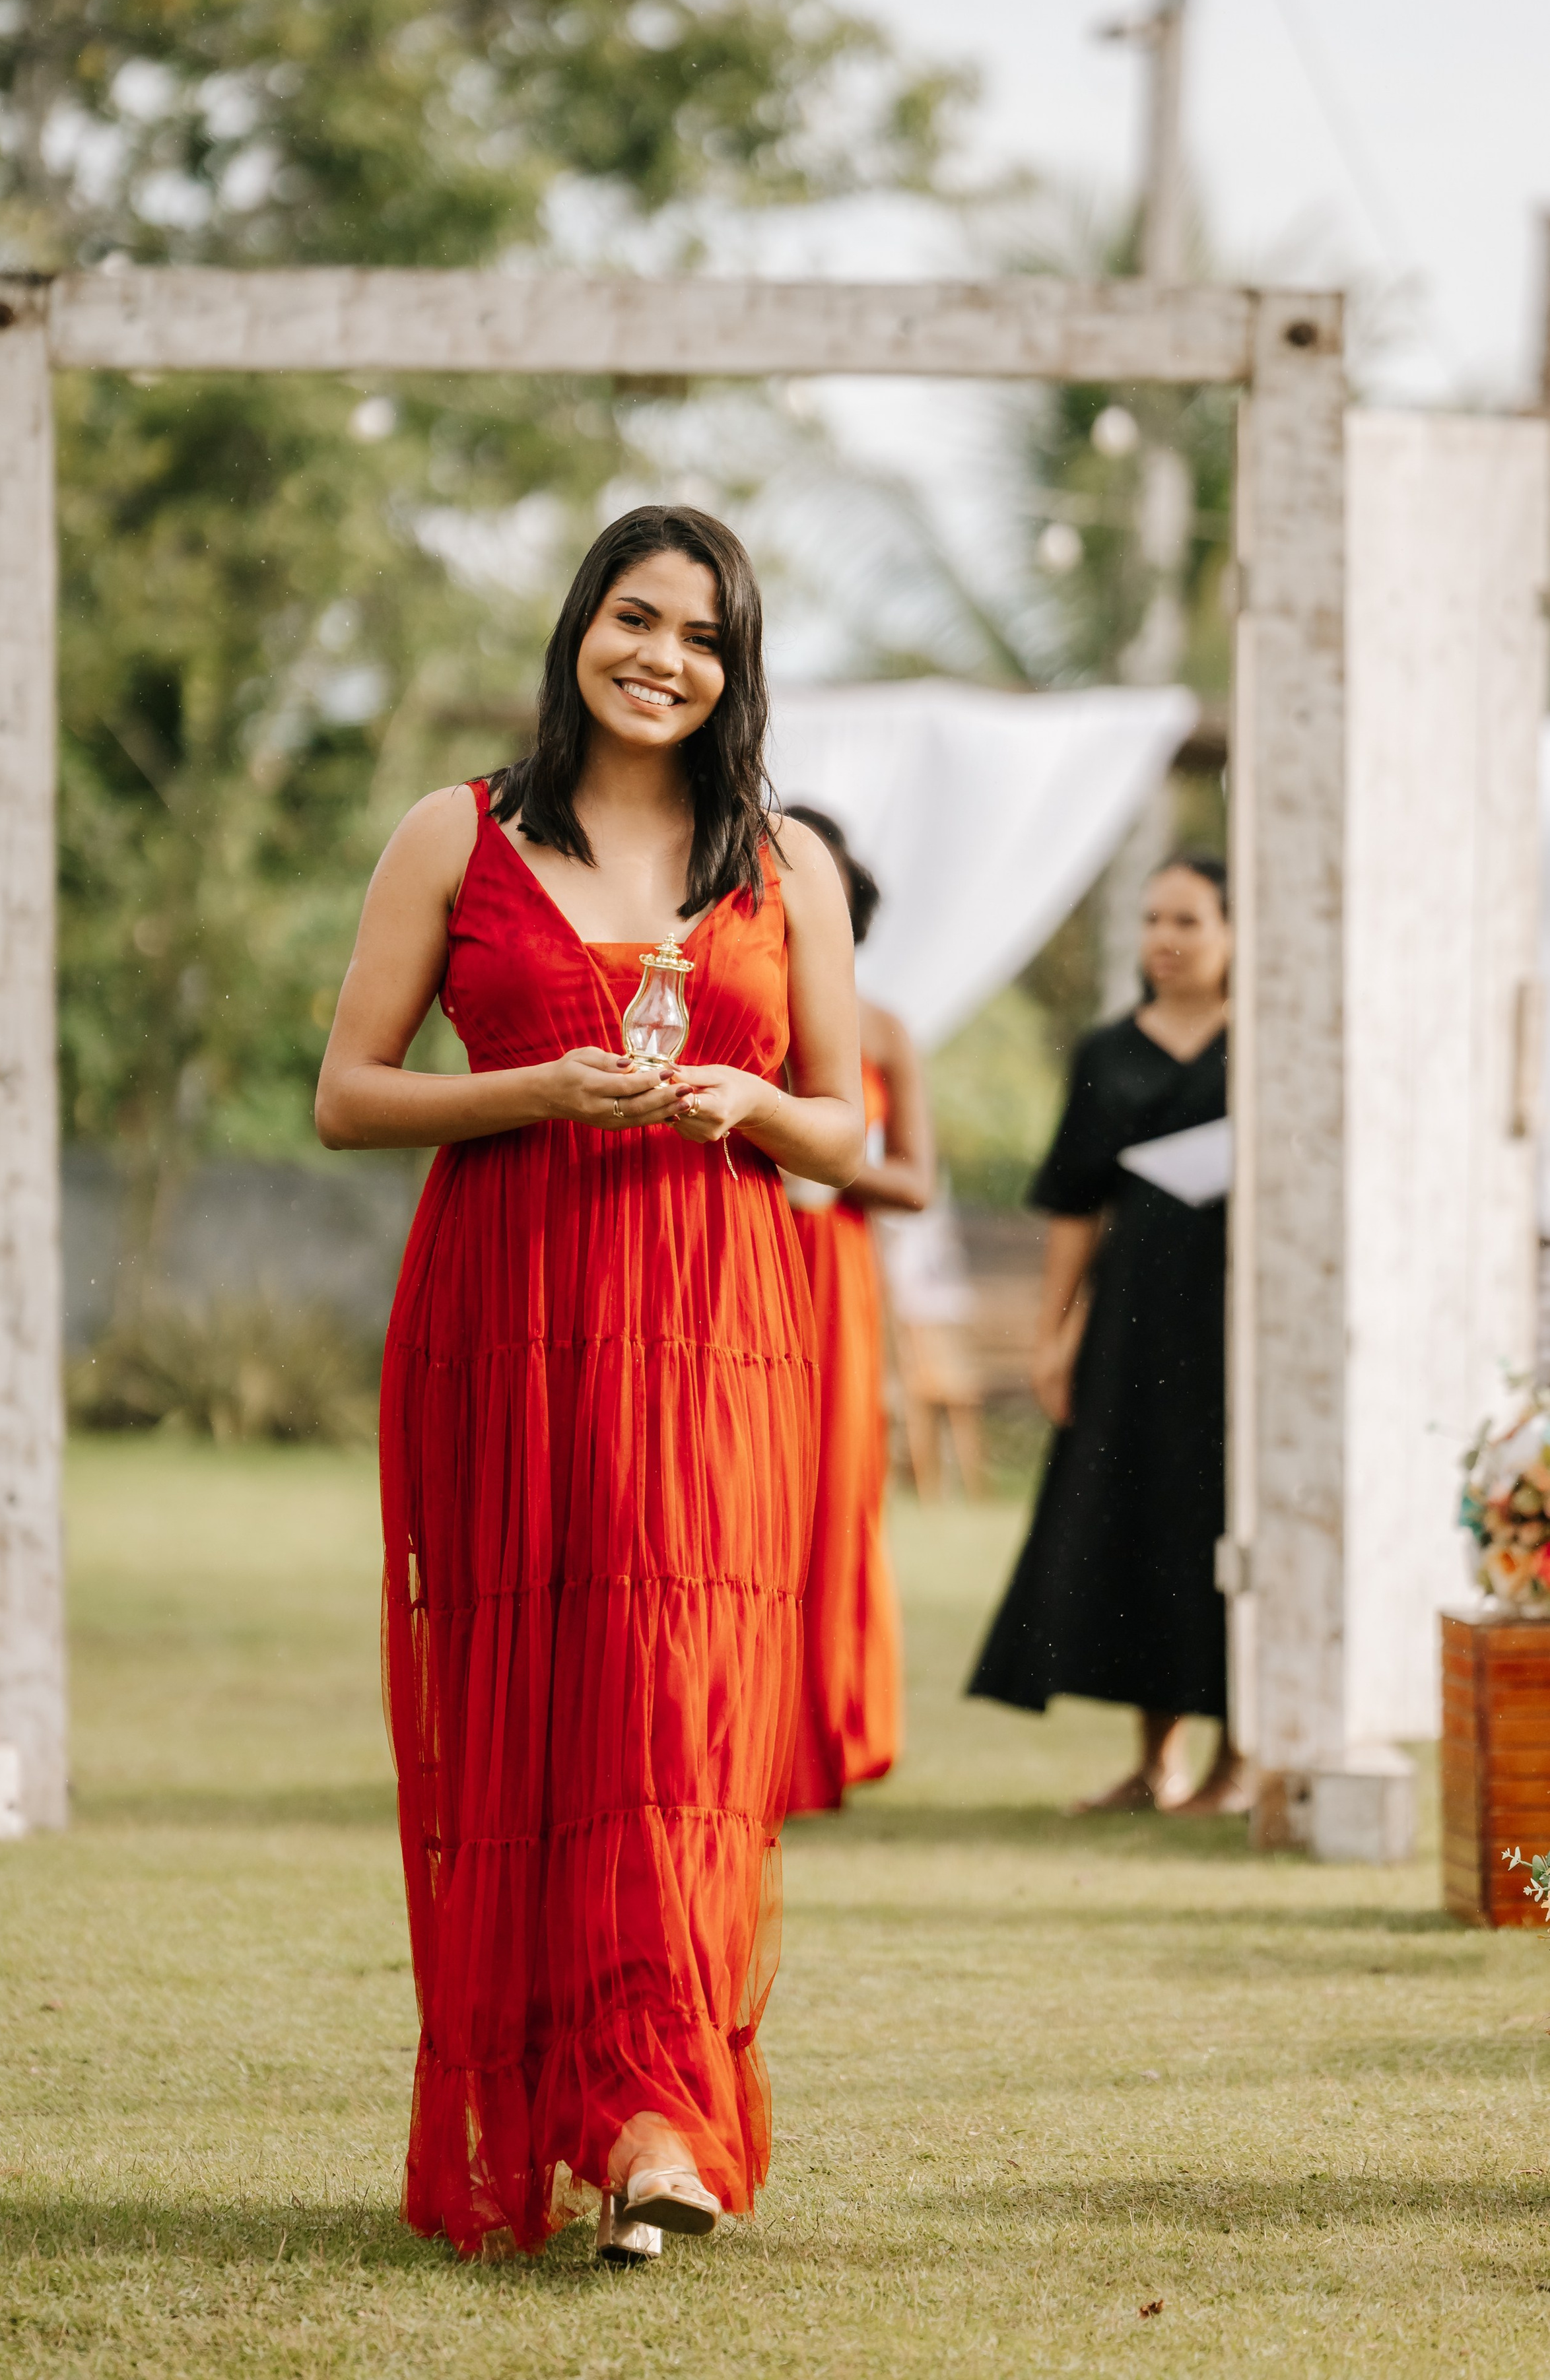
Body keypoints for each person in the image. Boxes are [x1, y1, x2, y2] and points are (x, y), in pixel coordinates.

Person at [315, 506, 863, 2264]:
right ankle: (554, 2103)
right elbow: (347, 1092)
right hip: (507, 1310)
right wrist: (540, 1087)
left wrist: (757, 1110)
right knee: (528, 1710)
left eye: (701, 638)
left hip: (712, 1331)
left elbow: (847, 1126)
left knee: (670, 1710)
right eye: (635, 619)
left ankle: (656, 2117)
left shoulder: (784, 866)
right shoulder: (453, 833)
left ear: (735, 669)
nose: (662, 659)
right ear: (579, 630)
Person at [965, 853, 1247, 1817]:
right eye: (1153, 921)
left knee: (1228, 1519)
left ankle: (1239, 1759)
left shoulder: (1274, 1044)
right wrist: (1053, 1337)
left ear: (1236, 934)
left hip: (1243, 1327)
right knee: (1143, 1519)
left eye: (1189, 922)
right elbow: (1075, 1209)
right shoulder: (1106, 1052)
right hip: (1135, 1326)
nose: (1165, 941)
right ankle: (1155, 1759)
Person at [779, 806, 934, 1815]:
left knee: (831, 1493)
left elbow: (915, 1183)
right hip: (744, 1251)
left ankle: (819, 1735)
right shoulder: (731, 999)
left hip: (832, 1271)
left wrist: (825, 1154)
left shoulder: (881, 1030)